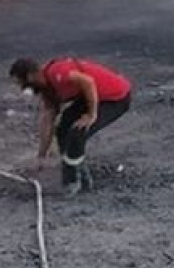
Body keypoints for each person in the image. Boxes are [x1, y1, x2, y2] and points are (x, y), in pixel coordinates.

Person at [8, 56, 133, 193]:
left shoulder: (58, 73)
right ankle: (78, 171)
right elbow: (48, 119)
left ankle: (72, 182)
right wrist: (41, 155)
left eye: (22, 82)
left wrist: (91, 115)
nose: (23, 87)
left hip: (115, 97)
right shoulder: (47, 89)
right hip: (91, 97)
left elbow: (88, 82)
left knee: (78, 132)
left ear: (31, 75)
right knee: (63, 129)